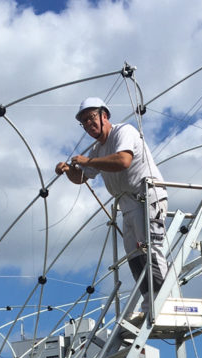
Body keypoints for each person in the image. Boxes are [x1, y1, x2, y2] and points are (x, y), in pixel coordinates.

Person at [55, 97, 168, 317]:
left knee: (150, 250)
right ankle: (150, 303)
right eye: (84, 122)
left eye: (91, 118)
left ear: (104, 115)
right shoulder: (98, 149)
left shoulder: (123, 132)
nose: (89, 125)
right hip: (126, 203)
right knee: (135, 256)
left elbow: (123, 160)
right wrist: (69, 170)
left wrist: (88, 162)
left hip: (146, 197)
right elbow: (81, 179)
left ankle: (162, 303)